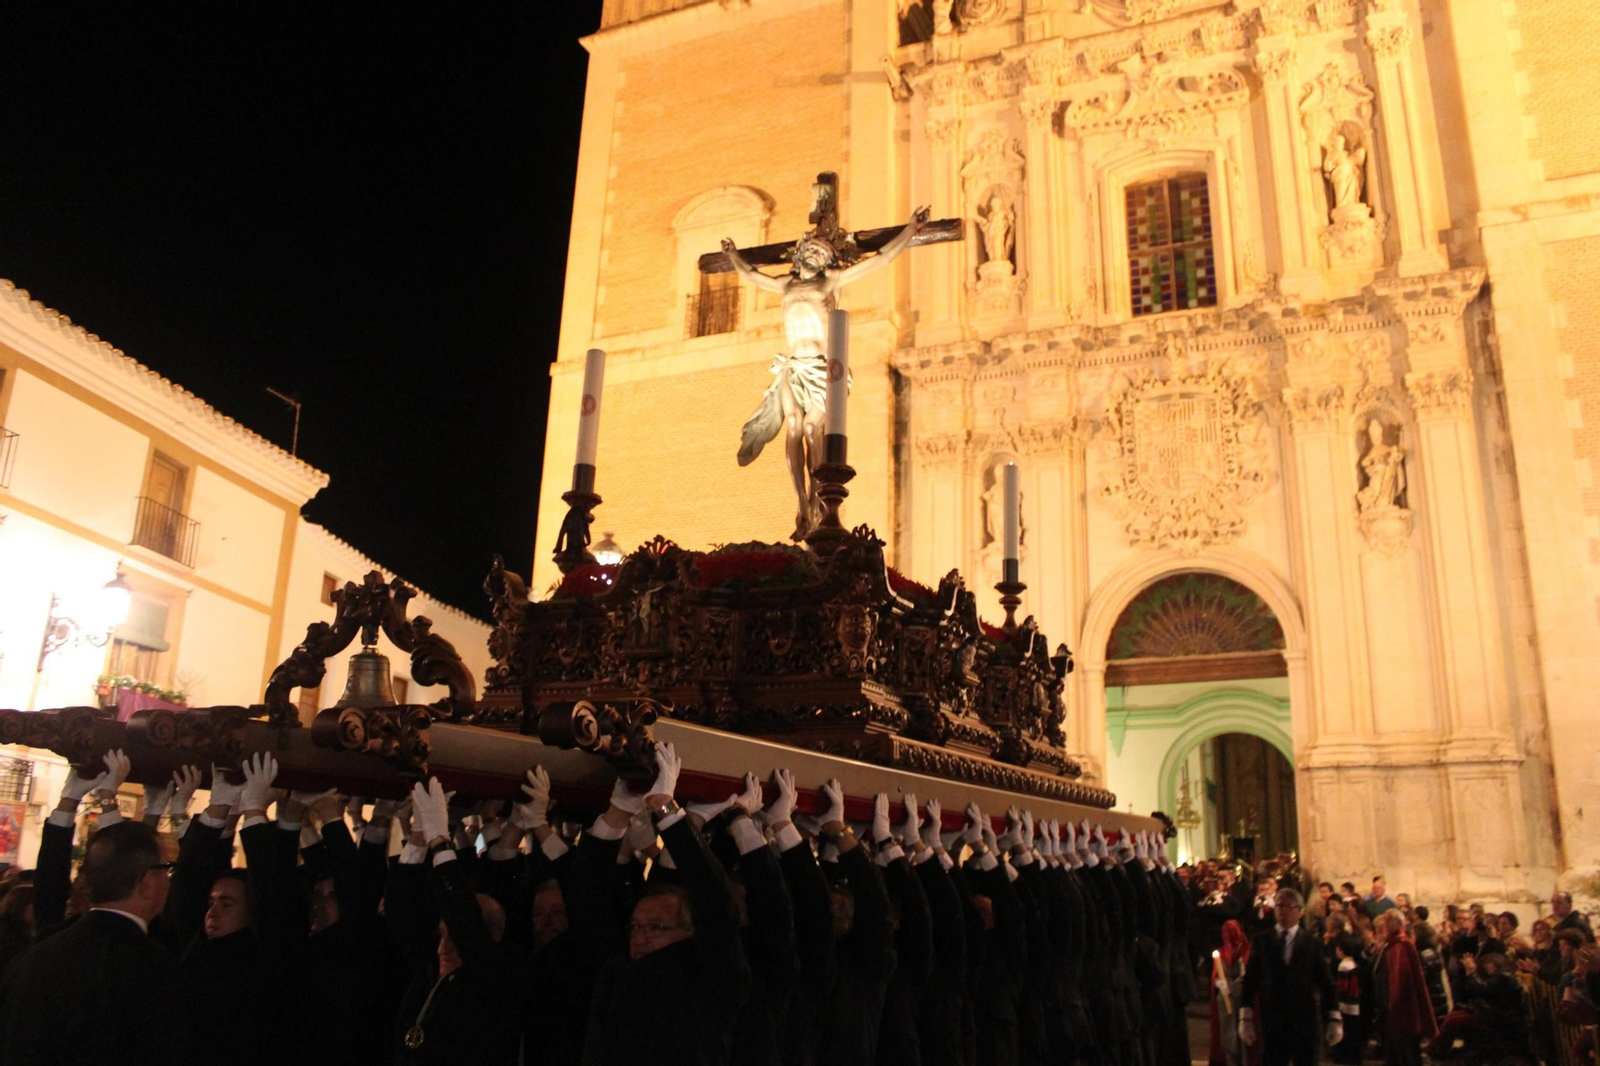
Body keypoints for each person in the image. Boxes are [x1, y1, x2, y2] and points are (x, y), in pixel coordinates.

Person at [0, 818, 192, 1063]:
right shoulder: (151, 967)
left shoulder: (33, 957)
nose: (168, 880)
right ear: (146, 884)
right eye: (166, 869)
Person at [1238, 887, 1342, 1066]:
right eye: (1279, 906)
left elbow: (1325, 982)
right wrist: (1245, 1017)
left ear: (1300, 912)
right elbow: (1251, 980)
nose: (1282, 911)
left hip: (1304, 1018)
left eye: (1288, 907)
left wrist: (1334, 1017)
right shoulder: (1262, 940)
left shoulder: (1311, 942)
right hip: (1273, 1017)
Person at [1372, 910, 1436, 1066]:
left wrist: (1393, 1000)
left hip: (1402, 1006)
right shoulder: (1391, 944)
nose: (1385, 925)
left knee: (1406, 1049)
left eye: (1387, 921)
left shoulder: (1402, 945)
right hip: (1390, 1006)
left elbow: (1401, 978)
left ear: (1396, 923)